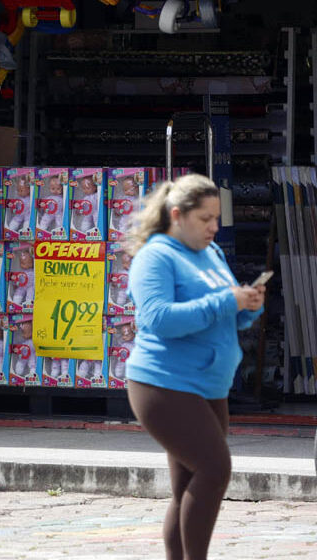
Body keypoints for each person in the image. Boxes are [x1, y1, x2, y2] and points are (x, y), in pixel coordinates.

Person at [125, 173, 264, 560]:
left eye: (217, 218)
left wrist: (248, 306)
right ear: (177, 215)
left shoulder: (211, 254)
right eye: (205, 219)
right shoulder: (156, 256)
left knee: (189, 483)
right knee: (215, 471)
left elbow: (226, 314)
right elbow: (159, 318)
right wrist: (226, 303)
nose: (214, 227)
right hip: (164, 384)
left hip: (209, 385)